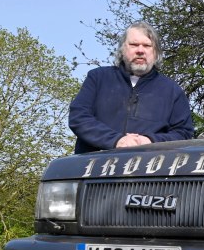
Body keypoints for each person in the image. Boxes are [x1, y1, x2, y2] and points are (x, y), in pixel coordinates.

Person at [69, 21, 194, 154]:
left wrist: (149, 141)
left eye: (147, 46)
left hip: (148, 170)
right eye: (134, 45)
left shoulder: (172, 91)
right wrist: (116, 140)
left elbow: (183, 133)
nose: (140, 50)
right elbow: (79, 117)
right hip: (93, 167)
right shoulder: (98, 78)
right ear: (122, 49)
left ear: (156, 52)